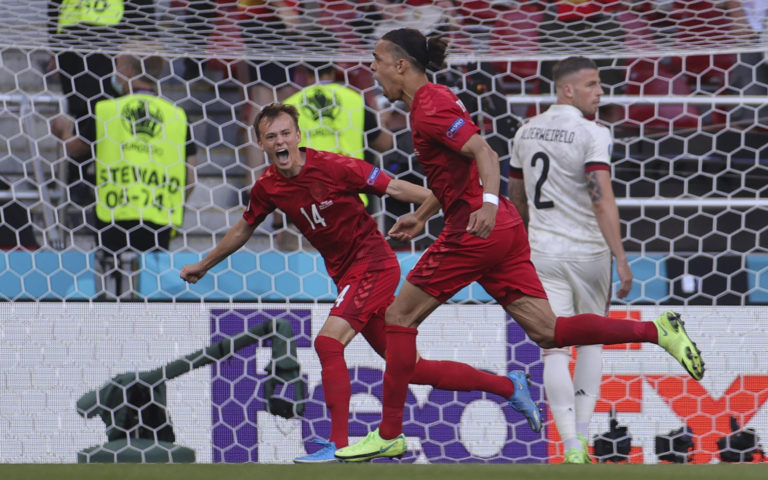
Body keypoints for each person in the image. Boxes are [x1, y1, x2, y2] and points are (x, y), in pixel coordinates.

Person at [334, 28, 705, 463]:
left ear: (401, 65)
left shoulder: (431, 106)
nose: (372, 67)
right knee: (548, 331)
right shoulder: (434, 99)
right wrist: (423, 214)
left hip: (474, 231)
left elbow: (486, 155)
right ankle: (657, 331)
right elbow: (457, 172)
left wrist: (488, 205)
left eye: (377, 59)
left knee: (398, 317)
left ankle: (389, 434)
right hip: (502, 229)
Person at [179, 103, 541, 464]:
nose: (280, 142)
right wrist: (204, 264)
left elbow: (394, 187)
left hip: (374, 265)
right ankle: (509, 386)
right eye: (271, 137)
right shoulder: (268, 187)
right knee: (413, 368)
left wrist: (450, 204)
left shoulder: (334, 167)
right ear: (260, 144)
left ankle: (337, 446)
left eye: (286, 133)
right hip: (347, 276)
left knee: (327, 342)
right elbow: (245, 227)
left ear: (298, 135)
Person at [507, 56, 633, 464]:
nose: (600, 92)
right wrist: (620, 256)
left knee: (554, 349)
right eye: (592, 84)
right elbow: (602, 199)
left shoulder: (525, 131)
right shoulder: (593, 132)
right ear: (567, 89)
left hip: (543, 252)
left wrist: (522, 246)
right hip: (589, 254)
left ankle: (570, 445)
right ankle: (581, 434)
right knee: (592, 342)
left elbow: (516, 199)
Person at [51, 43, 197, 298]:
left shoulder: (107, 110)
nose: (115, 73)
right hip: (159, 217)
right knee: (150, 287)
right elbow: (191, 178)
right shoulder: (178, 116)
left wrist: (63, 131)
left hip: (114, 214)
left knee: (113, 285)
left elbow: (76, 149)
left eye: (117, 65)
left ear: (128, 70)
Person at [47, 0, 157, 207]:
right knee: (88, 109)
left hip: (99, 34)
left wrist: (145, 38)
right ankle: (77, 178)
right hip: (81, 35)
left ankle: (78, 177)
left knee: (94, 109)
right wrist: (53, 44)